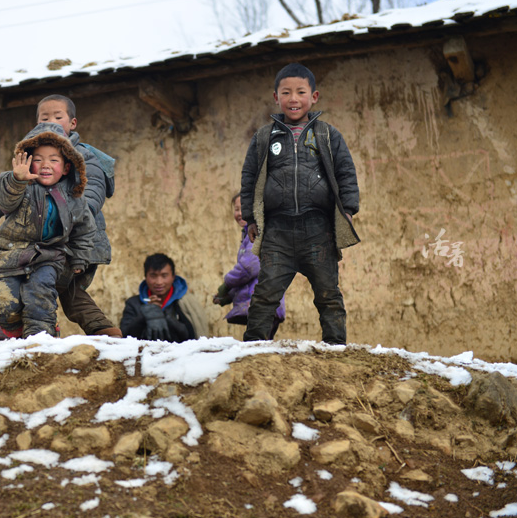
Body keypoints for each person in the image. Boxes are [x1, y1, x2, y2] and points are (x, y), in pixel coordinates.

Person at [0, 95, 121, 338]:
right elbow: (5, 196)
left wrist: (70, 204)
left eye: (58, 117)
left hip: (72, 240)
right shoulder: (30, 164)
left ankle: (44, 333)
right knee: (54, 289)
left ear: (73, 123)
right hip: (36, 245)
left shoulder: (82, 156)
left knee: (51, 289)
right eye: (45, 118)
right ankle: (94, 328)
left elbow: (91, 196)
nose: (52, 121)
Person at [240, 63, 360, 345]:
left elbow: (346, 172)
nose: (294, 99)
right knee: (265, 293)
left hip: (318, 230)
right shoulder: (264, 138)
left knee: (328, 292)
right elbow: (248, 178)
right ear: (276, 97)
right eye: (286, 93)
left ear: (314, 96)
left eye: (301, 92)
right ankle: (253, 346)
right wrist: (251, 218)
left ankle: (335, 347)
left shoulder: (327, 135)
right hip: (277, 232)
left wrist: (348, 210)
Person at [214, 192, 285, 338]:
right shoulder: (247, 236)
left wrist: (226, 285)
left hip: (264, 305)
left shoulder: (259, 234)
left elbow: (248, 269)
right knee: (259, 346)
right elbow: (250, 280)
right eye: (237, 209)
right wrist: (230, 295)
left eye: (244, 208)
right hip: (260, 305)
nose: (240, 213)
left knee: (256, 344)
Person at [120, 253, 208, 342]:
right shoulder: (133, 303)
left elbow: (191, 336)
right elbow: (125, 335)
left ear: (173, 277)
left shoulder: (184, 303)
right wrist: (145, 314)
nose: (159, 282)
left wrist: (164, 316)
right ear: (145, 277)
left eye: (164, 275)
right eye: (153, 276)